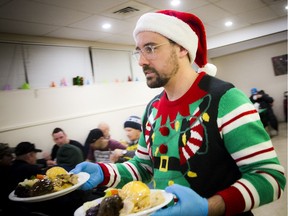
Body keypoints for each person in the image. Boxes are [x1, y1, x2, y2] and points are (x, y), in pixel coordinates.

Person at [71, 10, 286, 216]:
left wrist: (207, 208)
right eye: (139, 50)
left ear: (182, 48)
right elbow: (143, 167)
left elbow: (270, 177)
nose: (141, 61)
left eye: (151, 48)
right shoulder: (153, 109)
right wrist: (103, 172)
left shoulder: (226, 99)